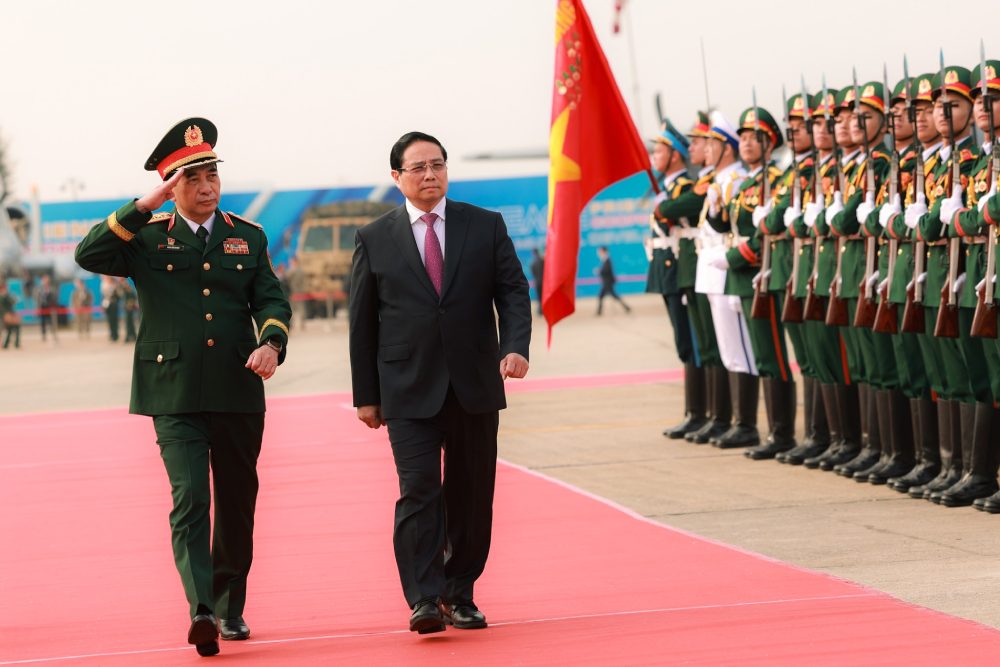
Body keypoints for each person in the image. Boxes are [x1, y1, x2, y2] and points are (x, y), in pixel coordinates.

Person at [74, 117, 291, 657]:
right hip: (172, 393)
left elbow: (271, 300)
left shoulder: (248, 235)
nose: (207, 185)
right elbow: (89, 254)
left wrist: (271, 343)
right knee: (191, 499)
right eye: (192, 178)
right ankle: (201, 609)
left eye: (211, 173)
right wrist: (142, 205)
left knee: (237, 504)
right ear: (172, 187)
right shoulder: (146, 237)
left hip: (238, 389)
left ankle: (229, 606)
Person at [349, 131, 531, 635]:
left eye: (437, 165)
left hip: (474, 383)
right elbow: (362, 322)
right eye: (418, 168)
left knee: (473, 493)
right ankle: (424, 598)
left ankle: (460, 591)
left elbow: (513, 291)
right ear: (396, 178)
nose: (430, 175)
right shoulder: (374, 237)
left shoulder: (484, 225)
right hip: (406, 388)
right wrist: (366, 395)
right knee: (419, 491)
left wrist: (514, 346)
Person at [595, 246, 630, 315]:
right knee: (607, 296)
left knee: (606, 296)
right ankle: (626, 307)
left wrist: (600, 271)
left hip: (608, 282)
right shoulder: (604, 260)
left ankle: (599, 312)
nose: (599, 253)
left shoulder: (608, 260)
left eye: (600, 251)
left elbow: (607, 270)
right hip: (606, 282)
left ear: (603, 251)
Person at [37, 274, 59, 344]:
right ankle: (44, 335)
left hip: (50, 307)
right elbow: (37, 297)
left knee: (52, 322)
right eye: (44, 279)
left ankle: (54, 335)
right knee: (43, 323)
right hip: (42, 307)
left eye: (46, 279)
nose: (45, 281)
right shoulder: (39, 289)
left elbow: (55, 296)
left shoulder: (52, 288)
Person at [1, 280, 21, 349]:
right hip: (4, 315)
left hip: (9, 314)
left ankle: (14, 343)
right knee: (10, 328)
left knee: (14, 327)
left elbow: (13, 302)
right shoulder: (2, 297)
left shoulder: (7, 296)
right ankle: (11, 343)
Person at [101, 275, 121, 341]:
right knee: (109, 321)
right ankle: (111, 335)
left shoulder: (115, 286)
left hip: (114, 305)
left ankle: (115, 335)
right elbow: (103, 297)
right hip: (107, 305)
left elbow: (119, 296)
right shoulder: (104, 285)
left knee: (115, 320)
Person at [121, 277, 139, 342]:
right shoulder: (123, 288)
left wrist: (130, 305)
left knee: (129, 322)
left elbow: (132, 298)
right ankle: (132, 336)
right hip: (127, 308)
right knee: (129, 322)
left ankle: (130, 336)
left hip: (129, 308)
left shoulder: (128, 288)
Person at [529, 247, 545, 315]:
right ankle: (544, 310)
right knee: (543, 296)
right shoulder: (542, 261)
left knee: (539, 297)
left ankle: (540, 310)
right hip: (543, 282)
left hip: (537, 282)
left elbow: (533, 273)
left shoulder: (533, 263)